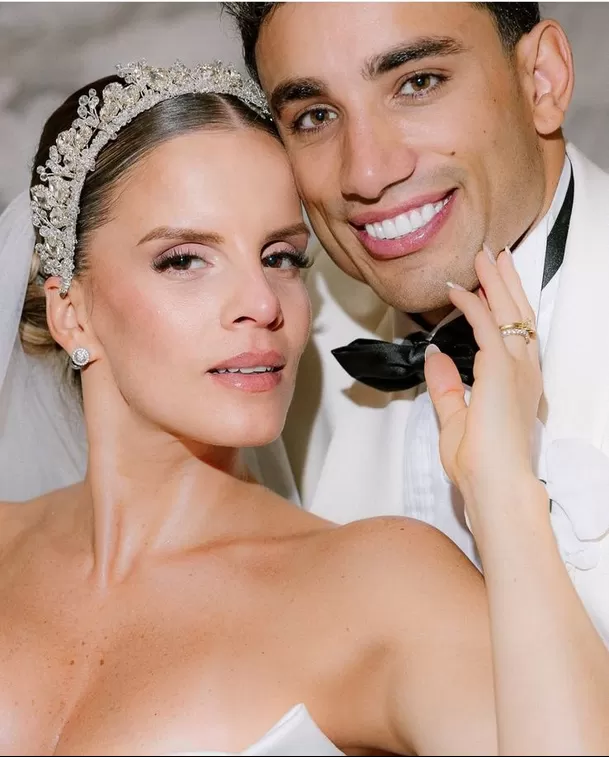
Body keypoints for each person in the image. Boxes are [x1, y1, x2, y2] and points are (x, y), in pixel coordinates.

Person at [0, 60, 607, 755]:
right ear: (71, 312)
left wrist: (503, 492)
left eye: (281, 257)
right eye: (185, 259)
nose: (263, 304)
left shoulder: (379, 588)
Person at [224, 1, 609, 639]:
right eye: (315, 116)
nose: (367, 173)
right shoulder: (265, 348)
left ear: (541, 79)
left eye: (418, 83)